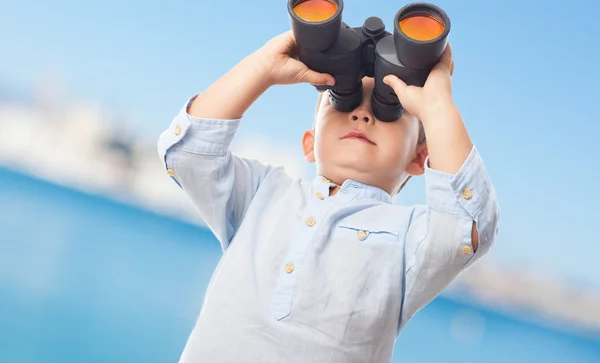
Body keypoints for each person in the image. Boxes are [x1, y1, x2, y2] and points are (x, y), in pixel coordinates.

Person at [157, 30, 500, 363]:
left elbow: (467, 225)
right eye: (342, 99)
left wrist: (437, 107)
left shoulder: (411, 237)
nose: (362, 114)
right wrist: (263, 66)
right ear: (309, 143)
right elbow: (188, 153)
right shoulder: (262, 192)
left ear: (418, 157)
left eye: (389, 108)